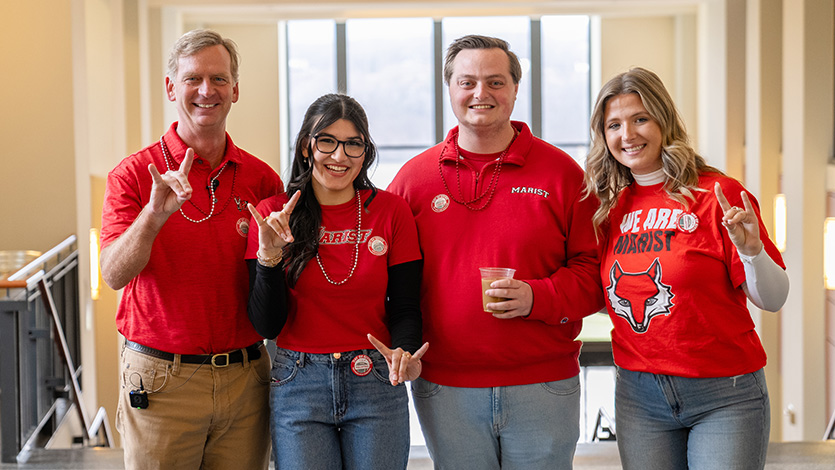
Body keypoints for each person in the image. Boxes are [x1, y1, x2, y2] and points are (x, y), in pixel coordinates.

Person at [387, 35, 604, 469]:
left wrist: (536, 297)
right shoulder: (413, 181)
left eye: (495, 82)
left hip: (543, 384)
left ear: (515, 89)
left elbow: (597, 275)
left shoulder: (562, 174)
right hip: (445, 388)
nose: (480, 93)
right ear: (449, 88)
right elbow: (390, 283)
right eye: (467, 82)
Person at [584, 67, 790, 469]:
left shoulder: (717, 193)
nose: (628, 135)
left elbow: (774, 298)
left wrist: (751, 252)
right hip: (639, 395)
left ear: (663, 120)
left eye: (640, 118)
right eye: (614, 125)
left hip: (724, 393)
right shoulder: (607, 209)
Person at [99, 29, 282, 469]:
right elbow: (113, 275)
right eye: (192, 79)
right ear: (170, 88)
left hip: (245, 381)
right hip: (161, 382)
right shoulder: (132, 175)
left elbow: (273, 288)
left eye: (219, 79)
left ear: (235, 90)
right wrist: (153, 216)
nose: (206, 90)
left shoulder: (262, 181)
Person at [245, 93, 428, 470]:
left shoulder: (392, 212)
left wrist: (404, 352)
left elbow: (406, 305)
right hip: (297, 381)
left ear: (366, 151)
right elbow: (267, 325)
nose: (339, 156)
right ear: (306, 147)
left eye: (353, 144)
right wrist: (269, 256)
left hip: (375, 377)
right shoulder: (273, 216)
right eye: (326, 141)